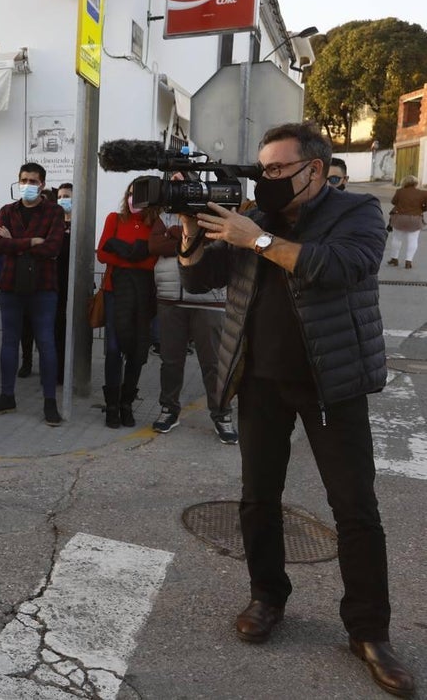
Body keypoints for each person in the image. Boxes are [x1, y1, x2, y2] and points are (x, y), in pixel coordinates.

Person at [179, 122, 414, 698]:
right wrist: (193, 232)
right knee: (258, 497)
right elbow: (204, 276)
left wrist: (253, 239)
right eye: (263, 170)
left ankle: (368, 631)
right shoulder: (255, 217)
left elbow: (340, 268)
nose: (268, 180)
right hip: (259, 381)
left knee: (355, 508)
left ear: (314, 168)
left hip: (331, 382)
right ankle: (266, 597)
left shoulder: (356, 212)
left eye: (278, 170)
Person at [147, 173, 236, 443]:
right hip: (170, 298)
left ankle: (222, 414)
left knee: (213, 364)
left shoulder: (215, 212)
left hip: (210, 300)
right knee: (171, 360)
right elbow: (154, 245)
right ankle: (168, 409)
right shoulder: (165, 215)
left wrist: (182, 238)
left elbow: (217, 243)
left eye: (182, 181)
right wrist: (188, 238)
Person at [0, 162, 66, 425]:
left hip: (43, 286)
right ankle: (7, 396)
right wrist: (31, 242)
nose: (27, 185)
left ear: (42, 184)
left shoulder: (54, 211)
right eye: (24, 180)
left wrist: (14, 243)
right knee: (9, 342)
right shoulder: (7, 211)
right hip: (10, 285)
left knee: (46, 343)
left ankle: (50, 402)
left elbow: (52, 247)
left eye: (33, 181)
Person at [96, 179, 158, 428]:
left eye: (139, 195)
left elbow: (150, 263)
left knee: (137, 350)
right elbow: (102, 254)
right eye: (131, 194)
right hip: (114, 292)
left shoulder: (155, 223)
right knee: (113, 349)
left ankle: (126, 403)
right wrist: (135, 253)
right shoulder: (114, 219)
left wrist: (120, 250)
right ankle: (111, 405)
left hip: (142, 295)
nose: (134, 199)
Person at [53, 182, 73, 384]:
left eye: (66, 196)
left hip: (72, 287)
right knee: (55, 329)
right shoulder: (54, 225)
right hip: (54, 285)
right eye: (59, 196)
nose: (62, 200)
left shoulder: (81, 226)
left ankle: (70, 370)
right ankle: (56, 371)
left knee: (71, 330)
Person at [386, 175, 427, 269]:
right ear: (416, 183)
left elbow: (393, 202)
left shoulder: (400, 191)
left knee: (397, 239)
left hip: (399, 218)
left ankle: (394, 259)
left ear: (404, 182)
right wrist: (422, 209)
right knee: (413, 240)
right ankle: (408, 262)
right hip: (415, 219)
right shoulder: (423, 193)